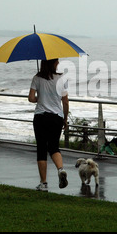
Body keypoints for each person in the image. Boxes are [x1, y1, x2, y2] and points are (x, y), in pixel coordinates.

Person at [28, 59, 69, 191]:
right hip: (56, 117)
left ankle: (43, 183)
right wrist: (65, 118)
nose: (58, 63)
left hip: (40, 116)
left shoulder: (37, 78)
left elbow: (31, 98)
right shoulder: (61, 78)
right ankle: (60, 169)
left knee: (41, 149)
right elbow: (65, 101)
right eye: (57, 61)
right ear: (52, 63)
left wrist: (40, 98)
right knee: (54, 147)